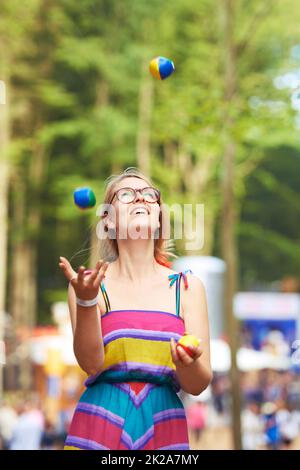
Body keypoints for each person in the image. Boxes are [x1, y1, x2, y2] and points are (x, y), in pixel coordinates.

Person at [59, 167, 212, 450]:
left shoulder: (188, 287)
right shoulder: (90, 285)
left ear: (159, 218)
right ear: (108, 219)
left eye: (149, 195)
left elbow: (198, 384)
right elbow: (90, 364)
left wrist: (186, 364)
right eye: (126, 194)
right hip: (100, 420)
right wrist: (86, 301)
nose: (140, 199)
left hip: (164, 422)